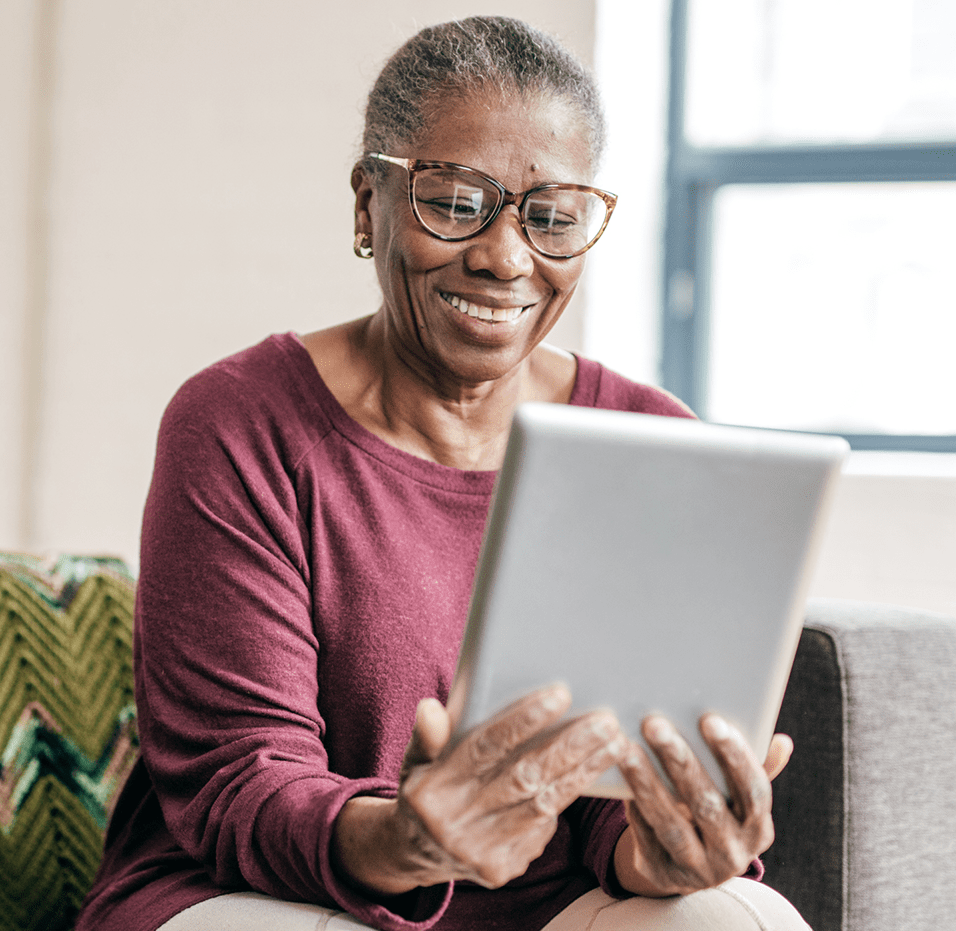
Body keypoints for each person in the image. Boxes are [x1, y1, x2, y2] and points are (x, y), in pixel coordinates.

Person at [75, 15, 810, 931]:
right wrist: (409, 841)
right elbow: (240, 781)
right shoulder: (240, 423)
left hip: (548, 908)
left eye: (552, 217)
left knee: (735, 916)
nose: (506, 257)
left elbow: (619, 790)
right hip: (271, 895)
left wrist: (660, 849)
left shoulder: (651, 440)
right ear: (365, 204)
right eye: (456, 201)